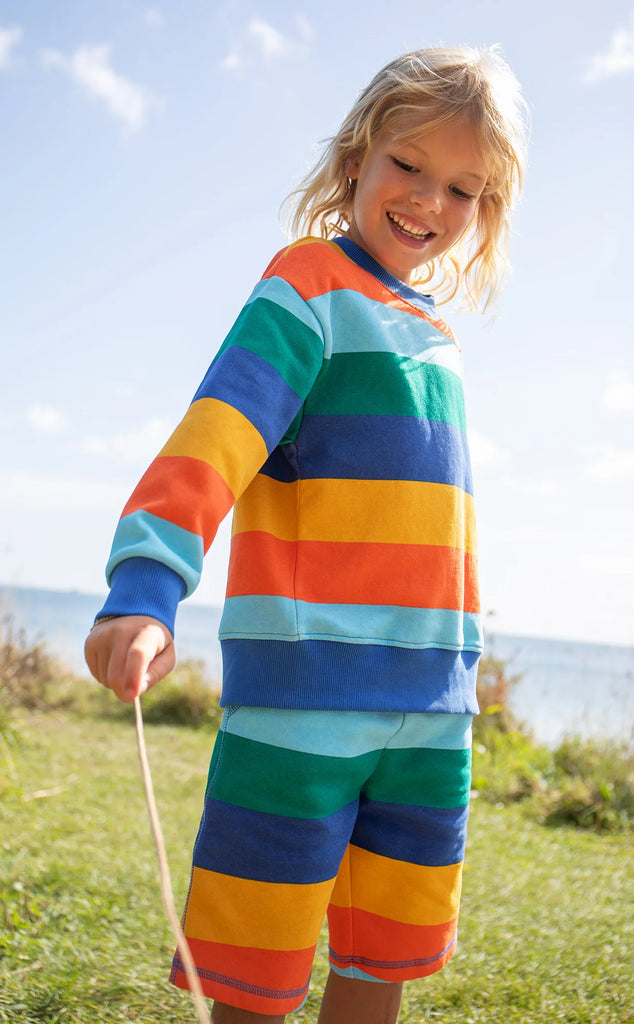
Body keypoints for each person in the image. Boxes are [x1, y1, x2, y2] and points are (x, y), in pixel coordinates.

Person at [85, 45, 528, 1024]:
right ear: (356, 156)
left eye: (461, 187)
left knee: (378, 970)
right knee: (254, 985)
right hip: (301, 716)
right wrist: (147, 586)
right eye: (407, 166)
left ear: (485, 206)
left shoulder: (435, 335)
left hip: (429, 717)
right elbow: (215, 440)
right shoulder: (307, 287)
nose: (426, 201)